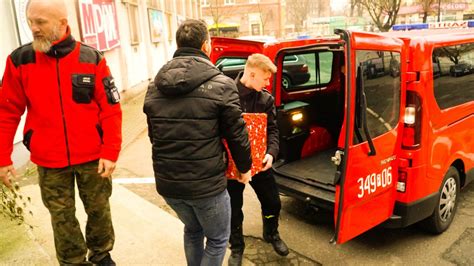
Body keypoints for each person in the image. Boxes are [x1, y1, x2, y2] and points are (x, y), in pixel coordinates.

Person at [0, 0, 122, 264]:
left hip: (93, 157)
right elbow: (7, 112)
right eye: (30, 21)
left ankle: (101, 256)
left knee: (99, 209)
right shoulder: (20, 61)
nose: (33, 28)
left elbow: (111, 109)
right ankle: (73, 261)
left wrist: (110, 151)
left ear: (62, 23)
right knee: (61, 216)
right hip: (49, 159)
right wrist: (3, 158)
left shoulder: (91, 58)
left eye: (40, 22)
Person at [143, 19, 252, 266]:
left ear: (178, 44)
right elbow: (237, 135)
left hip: (169, 185)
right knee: (217, 239)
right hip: (206, 187)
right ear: (206, 46)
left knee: (192, 230)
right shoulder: (222, 85)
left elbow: (154, 136)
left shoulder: (153, 87)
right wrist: (245, 169)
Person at [227, 54, 289, 266]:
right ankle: (236, 247)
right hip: (233, 166)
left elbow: (273, 130)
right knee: (234, 209)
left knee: (273, 201)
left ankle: (271, 232)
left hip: (260, 163)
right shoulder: (227, 95)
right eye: (265, 78)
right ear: (252, 74)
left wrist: (271, 152)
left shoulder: (265, 99)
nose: (268, 83)